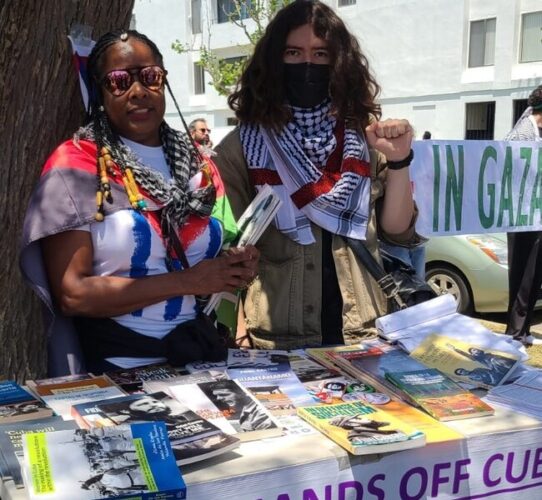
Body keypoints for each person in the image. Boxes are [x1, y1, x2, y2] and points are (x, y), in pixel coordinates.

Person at [19, 30, 259, 375]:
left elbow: (206, 263)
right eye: (118, 81)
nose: (138, 91)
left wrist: (233, 266)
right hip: (118, 367)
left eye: (150, 76)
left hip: (201, 357)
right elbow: (73, 294)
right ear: (100, 93)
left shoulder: (198, 163)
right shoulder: (77, 166)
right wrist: (189, 281)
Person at [215, 0, 422, 350]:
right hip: (276, 340)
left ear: (338, 62)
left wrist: (399, 160)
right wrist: (237, 331)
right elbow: (227, 248)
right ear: (274, 60)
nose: (307, 65)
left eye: (321, 54)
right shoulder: (243, 147)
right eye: (293, 53)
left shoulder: (364, 139)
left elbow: (397, 231)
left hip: (362, 334)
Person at [505, 85, 542, 345]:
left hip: (537, 214)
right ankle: (514, 333)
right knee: (522, 274)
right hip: (522, 214)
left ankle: (524, 330)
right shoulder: (521, 134)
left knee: (535, 274)